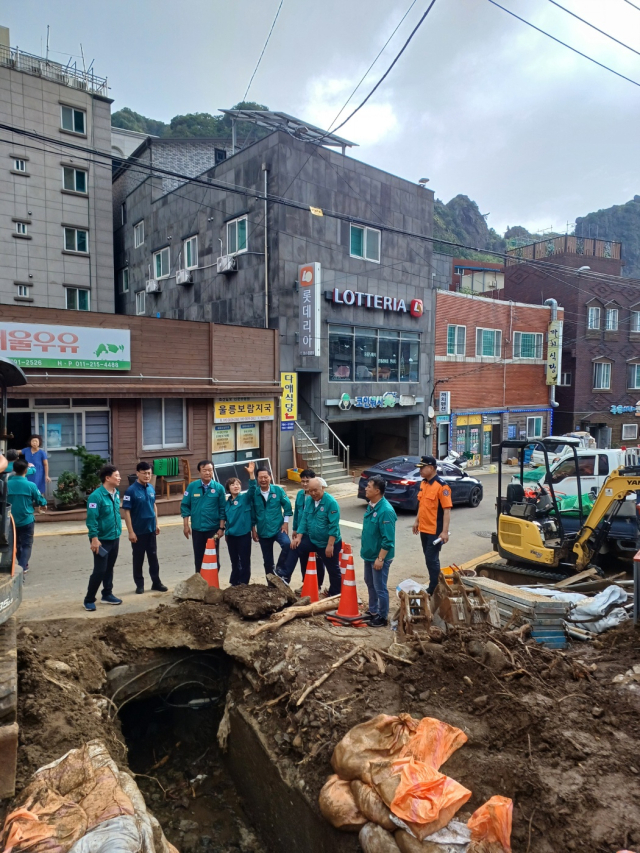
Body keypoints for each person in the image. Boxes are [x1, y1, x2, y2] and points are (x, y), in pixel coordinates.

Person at [123, 461, 167, 594]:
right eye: (144, 473)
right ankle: (139, 584)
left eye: (149, 473)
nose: (147, 476)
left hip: (151, 530)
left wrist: (157, 523)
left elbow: (154, 506)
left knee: (153, 557)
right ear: (137, 473)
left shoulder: (151, 488)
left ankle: (156, 582)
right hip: (138, 531)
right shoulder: (131, 491)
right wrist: (131, 532)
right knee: (138, 559)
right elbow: (126, 512)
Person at [292, 477, 342, 596]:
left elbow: (333, 526)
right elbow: (304, 519)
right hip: (313, 540)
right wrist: (298, 537)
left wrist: (330, 545)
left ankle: (335, 593)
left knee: (333, 569)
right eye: (310, 491)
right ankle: (288, 577)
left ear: (322, 488)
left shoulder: (331, 503)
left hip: (328, 542)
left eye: (315, 490)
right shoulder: (309, 500)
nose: (313, 493)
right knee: (296, 547)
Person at [84, 464, 123, 612]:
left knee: (109, 568)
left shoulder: (116, 492)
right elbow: (91, 519)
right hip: (101, 539)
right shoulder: (96, 496)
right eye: (116, 476)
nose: (119, 478)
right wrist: (94, 538)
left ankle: (107, 594)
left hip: (114, 537)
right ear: (107, 478)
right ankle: (88, 599)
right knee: (100, 570)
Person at [412, 455, 452, 595]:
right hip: (424, 529)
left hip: (435, 531)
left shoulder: (442, 486)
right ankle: (436, 584)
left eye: (423, 468)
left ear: (431, 468)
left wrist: (444, 532)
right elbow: (422, 505)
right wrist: (417, 521)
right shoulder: (424, 484)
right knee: (428, 558)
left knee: (431, 559)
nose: (421, 471)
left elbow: (446, 510)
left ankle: (434, 588)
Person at [361, 475, 397, 627]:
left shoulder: (386, 511)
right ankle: (373, 610)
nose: (366, 489)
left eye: (369, 486)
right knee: (370, 582)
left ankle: (382, 616)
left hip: (379, 557)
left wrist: (381, 558)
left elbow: (388, 540)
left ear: (377, 491)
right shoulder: (372, 506)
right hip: (369, 554)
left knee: (380, 587)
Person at [181, 460, 226, 573]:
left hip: (213, 529)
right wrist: (186, 525)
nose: (207, 473)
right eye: (204, 470)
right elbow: (185, 506)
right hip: (197, 529)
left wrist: (221, 528)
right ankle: (200, 581)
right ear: (199, 472)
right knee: (199, 557)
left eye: (210, 470)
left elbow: (222, 509)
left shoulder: (219, 488)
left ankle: (213, 582)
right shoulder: (192, 487)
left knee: (213, 556)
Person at [249, 467, 292, 575]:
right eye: (260, 477)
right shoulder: (254, 494)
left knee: (287, 545)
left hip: (278, 528)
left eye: (265, 477)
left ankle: (279, 568)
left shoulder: (278, 490)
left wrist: (285, 523)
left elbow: (287, 507)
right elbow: (252, 514)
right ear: (257, 479)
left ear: (270, 477)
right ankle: (271, 583)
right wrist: (253, 530)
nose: (263, 480)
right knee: (267, 561)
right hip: (263, 531)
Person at [7, 458, 47, 575]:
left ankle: (21, 565)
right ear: (26, 471)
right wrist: (43, 504)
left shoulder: (6, 484)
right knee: (26, 544)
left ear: (13, 469)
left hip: (11, 520)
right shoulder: (31, 485)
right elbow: (40, 500)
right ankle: (22, 566)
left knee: (16, 543)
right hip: (26, 520)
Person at [277, 468, 315, 584]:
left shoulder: (316, 495)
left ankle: (285, 575)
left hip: (313, 533)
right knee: (303, 558)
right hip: (301, 532)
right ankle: (305, 583)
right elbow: (298, 513)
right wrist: (295, 529)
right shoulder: (299, 495)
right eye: (302, 481)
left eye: (307, 481)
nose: (304, 484)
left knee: (313, 559)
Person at [224, 462, 257, 585]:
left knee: (244, 561)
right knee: (234, 560)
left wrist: (251, 474)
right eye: (232, 485)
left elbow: (253, 488)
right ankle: (234, 582)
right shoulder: (226, 503)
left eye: (238, 484)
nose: (236, 486)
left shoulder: (245, 498)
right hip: (231, 536)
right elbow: (225, 519)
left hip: (243, 535)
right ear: (228, 488)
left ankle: (244, 582)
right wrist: (226, 532)